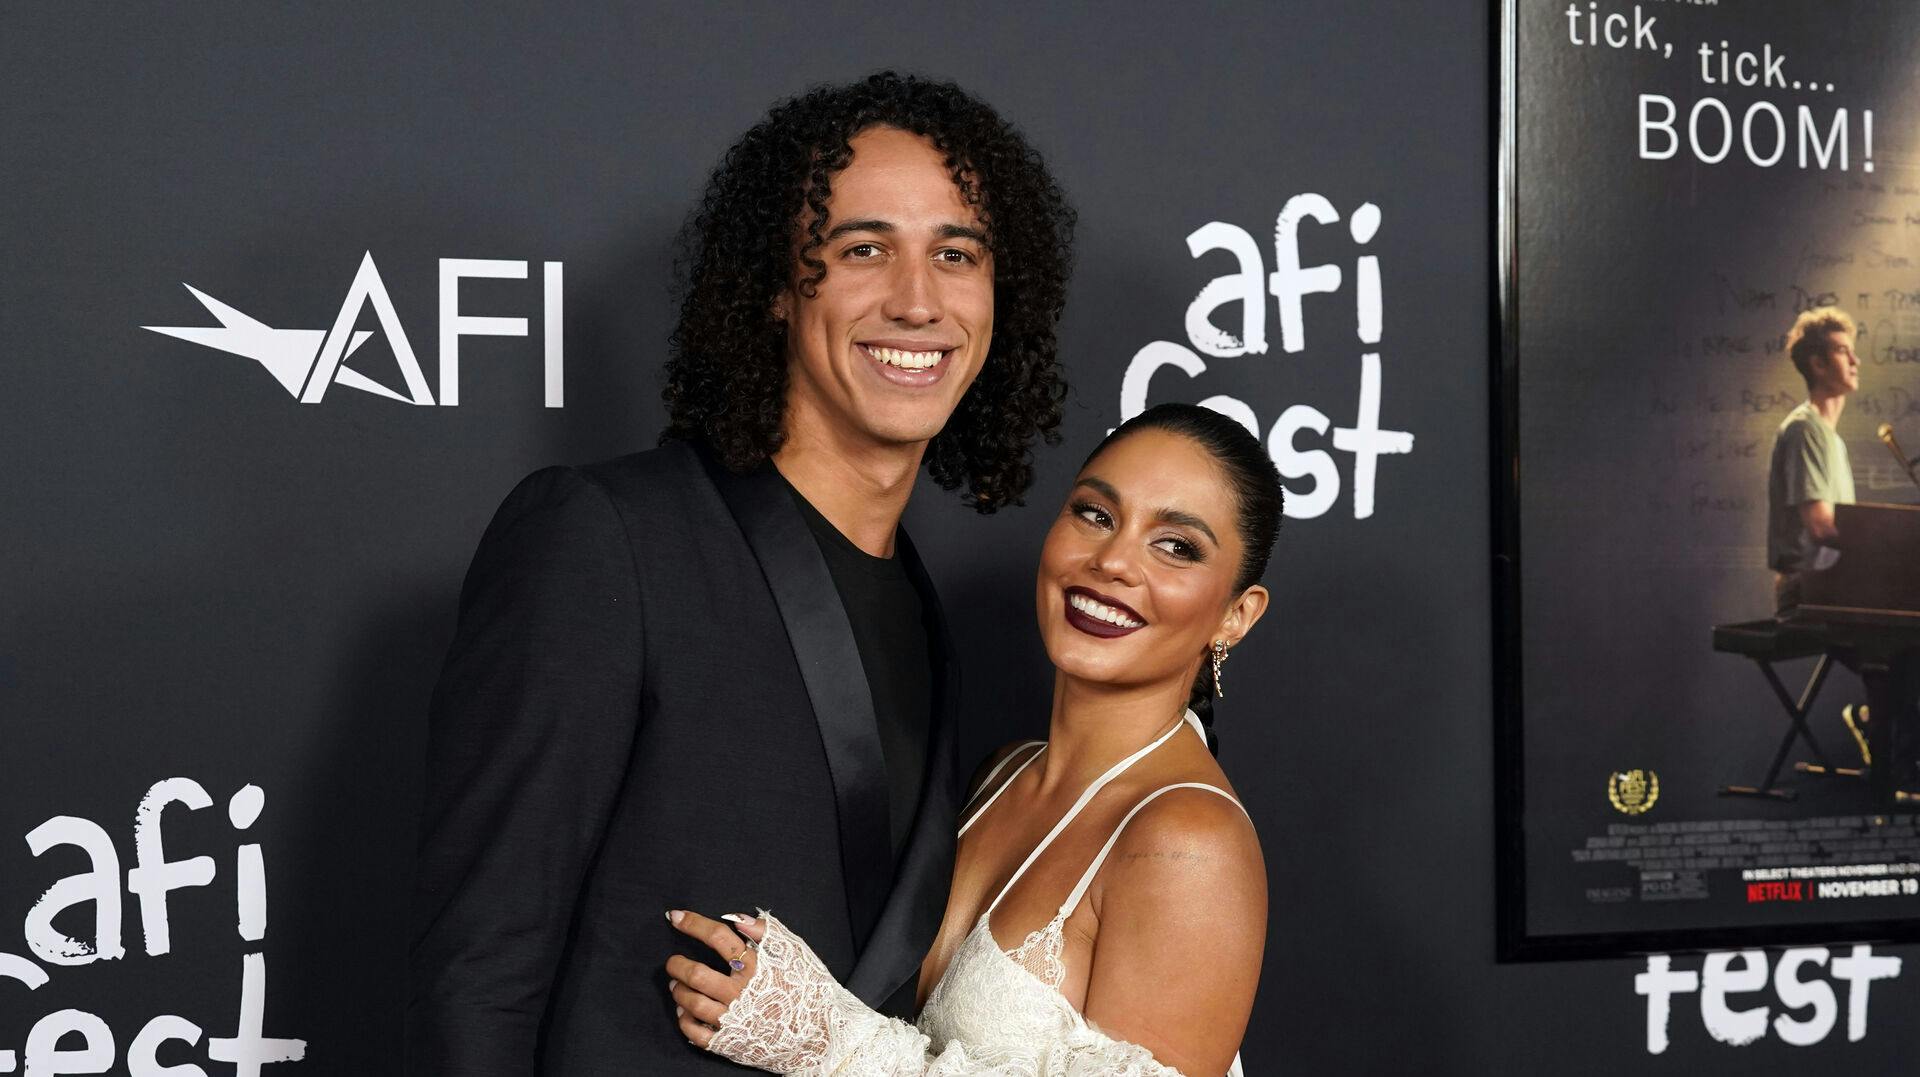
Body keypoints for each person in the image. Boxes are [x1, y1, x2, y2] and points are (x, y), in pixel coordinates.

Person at [406, 72, 1074, 1074]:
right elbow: (481, 969)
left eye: (956, 253)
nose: (917, 298)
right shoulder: (606, 538)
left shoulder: (933, 615)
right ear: (774, 282)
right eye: (863, 249)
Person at [665, 403, 1279, 1077]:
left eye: (1176, 546)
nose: (1113, 562)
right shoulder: (1004, 773)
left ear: (1235, 615)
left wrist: (826, 1039)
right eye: (1096, 514)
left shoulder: (1189, 841)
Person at [1767, 306, 1859, 614]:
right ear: (1818, 364)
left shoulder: (1833, 440)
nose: (1855, 361)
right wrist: (1880, 547)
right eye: (1843, 351)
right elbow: (1820, 526)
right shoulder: (1805, 429)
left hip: (1830, 583)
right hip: (1808, 588)